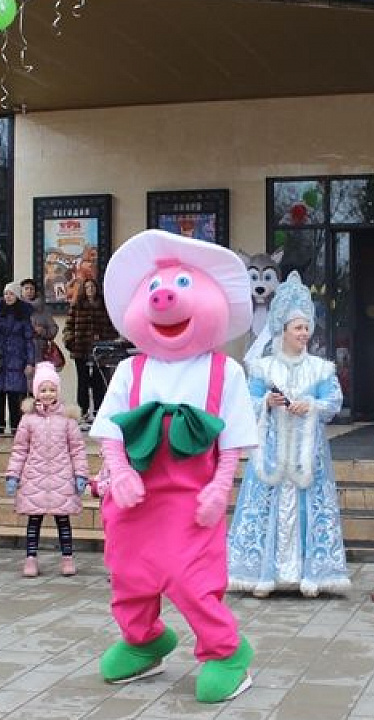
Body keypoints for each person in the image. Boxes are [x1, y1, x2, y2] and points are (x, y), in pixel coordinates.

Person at [90, 230, 259, 703]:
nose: (164, 299)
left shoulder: (225, 371)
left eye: (183, 286)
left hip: (191, 498)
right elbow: (110, 428)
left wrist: (220, 486)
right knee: (128, 572)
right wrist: (120, 471)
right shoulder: (131, 369)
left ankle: (227, 652)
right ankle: (143, 640)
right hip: (134, 498)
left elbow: (232, 439)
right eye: (155, 290)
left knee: (191, 580)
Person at [228, 272, 350, 598]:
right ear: (283, 330)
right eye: (298, 328)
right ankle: (264, 573)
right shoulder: (263, 367)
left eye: (306, 327)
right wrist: (267, 402)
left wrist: (311, 405)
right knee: (266, 505)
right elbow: (247, 400)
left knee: (310, 506)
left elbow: (333, 402)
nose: (304, 333)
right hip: (272, 453)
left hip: (308, 455)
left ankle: (310, 575)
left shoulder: (321, 368)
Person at [5, 363, 88, 578]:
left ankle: (67, 558)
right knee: (34, 520)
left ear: (58, 391)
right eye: (43, 390)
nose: (48, 394)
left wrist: (80, 474)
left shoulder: (68, 419)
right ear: (36, 392)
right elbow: (20, 449)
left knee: (63, 520)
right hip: (34, 477)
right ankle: (30, 559)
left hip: (62, 476)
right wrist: (13, 475)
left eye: (52, 389)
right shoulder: (28, 419)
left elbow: (77, 449)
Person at [64, 278, 119, 428]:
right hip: (80, 349)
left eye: (92, 287)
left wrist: (107, 340)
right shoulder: (77, 305)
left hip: (99, 350)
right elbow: (68, 326)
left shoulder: (103, 305)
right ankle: (82, 412)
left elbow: (111, 326)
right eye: (87, 287)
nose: (90, 290)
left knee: (98, 381)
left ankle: (98, 411)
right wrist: (70, 341)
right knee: (82, 382)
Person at [0, 282, 36, 436]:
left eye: (11, 294)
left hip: (17, 358)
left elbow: (29, 340)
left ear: (17, 296)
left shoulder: (23, 314)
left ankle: (15, 425)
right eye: (6, 294)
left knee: (14, 393)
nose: (8, 297)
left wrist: (30, 362)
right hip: (0, 358)